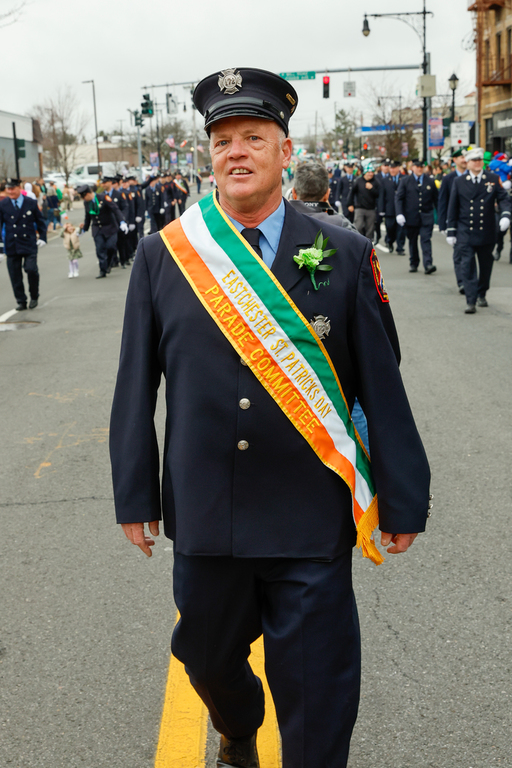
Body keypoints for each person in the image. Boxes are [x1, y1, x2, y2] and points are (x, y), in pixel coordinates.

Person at [110, 67, 431, 768]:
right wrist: (134, 494)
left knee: (319, 687)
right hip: (207, 512)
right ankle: (238, 729)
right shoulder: (165, 255)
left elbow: (381, 382)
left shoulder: (344, 253)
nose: (237, 152)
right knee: (206, 658)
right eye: (223, 140)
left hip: (309, 513)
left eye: (254, 137)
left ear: (285, 151)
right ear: (209, 154)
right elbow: (135, 382)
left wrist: (405, 495)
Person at [446, 146, 510, 314]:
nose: (477, 163)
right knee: (467, 267)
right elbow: (453, 207)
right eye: (473, 160)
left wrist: (505, 215)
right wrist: (451, 231)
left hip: (486, 231)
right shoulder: (459, 181)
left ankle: (482, 293)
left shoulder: (493, 178)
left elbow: (504, 199)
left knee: (486, 266)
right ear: (467, 163)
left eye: (479, 160)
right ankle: (471, 300)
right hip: (465, 231)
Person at [0, 177, 47, 310]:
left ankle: (34, 295)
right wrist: (0, 248)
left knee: (31, 269)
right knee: (15, 275)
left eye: (12, 188)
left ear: (19, 188)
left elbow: (40, 221)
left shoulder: (30, 202)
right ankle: (21, 300)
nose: (10, 191)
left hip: (28, 242)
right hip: (12, 244)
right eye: (8, 189)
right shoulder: (3, 204)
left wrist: (43, 237)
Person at [395, 158, 438, 274]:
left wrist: (442, 217)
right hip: (411, 216)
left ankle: (428, 264)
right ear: (412, 168)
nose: (419, 169)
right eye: (417, 167)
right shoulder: (405, 181)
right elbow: (399, 198)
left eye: (421, 167)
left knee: (426, 240)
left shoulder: (430, 181)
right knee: (413, 241)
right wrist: (399, 213)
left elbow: (436, 200)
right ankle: (414, 262)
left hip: (426, 216)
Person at [437, 149, 471, 293]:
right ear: (455, 160)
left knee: (471, 255)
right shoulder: (448, 179)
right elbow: (443, 201)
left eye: (466, 157)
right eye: (461, 157)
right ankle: (462, 282)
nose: (464, 160)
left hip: (472, 221)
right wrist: (443, 224)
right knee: (459, 253)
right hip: (456, 222)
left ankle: (472, 281)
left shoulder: (473, 176)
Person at [77, 184, 128, 278]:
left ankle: (108, 263)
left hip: (110, 227)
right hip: (97, 229)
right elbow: (88, 217)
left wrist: (122, 222)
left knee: (111, 247)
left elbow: (115, 209)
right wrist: (84, 229)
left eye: (84, 197)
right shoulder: (87, 203)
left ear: (88, 194)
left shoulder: (103, 198)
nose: (84, 199)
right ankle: (103, 270)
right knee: (100, 249)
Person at [289, 161, 356, 231]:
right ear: (327, 194)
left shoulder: (285, 220)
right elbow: (355, 235)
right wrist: (329, 209)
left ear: (294, 193)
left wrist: (289, 206)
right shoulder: (338, 222)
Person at [378, 160, 406, 254]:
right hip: (389, 209)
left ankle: (400, 247)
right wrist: (381, 209)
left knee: (401, 230)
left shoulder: (404, 178)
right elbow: (381, 196)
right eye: (391, 168)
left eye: (394, 168)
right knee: (390, 228)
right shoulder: (385, 180)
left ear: (398, 168)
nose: (392, 170)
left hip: (401, 209)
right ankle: (389, 241)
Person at [346, 164, 380, 239]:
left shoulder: (375, 182)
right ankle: (359, 240)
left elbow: (379, 194)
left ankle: (369, 243)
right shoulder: (358, 181)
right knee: (358, 226)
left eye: (372, 172)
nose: (371, 174)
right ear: (365, 173)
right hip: (360, 208)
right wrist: (349, 204)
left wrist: (372, 189)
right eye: (369, 172)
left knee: (370, 229)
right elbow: (351, 193)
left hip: (371, 208)